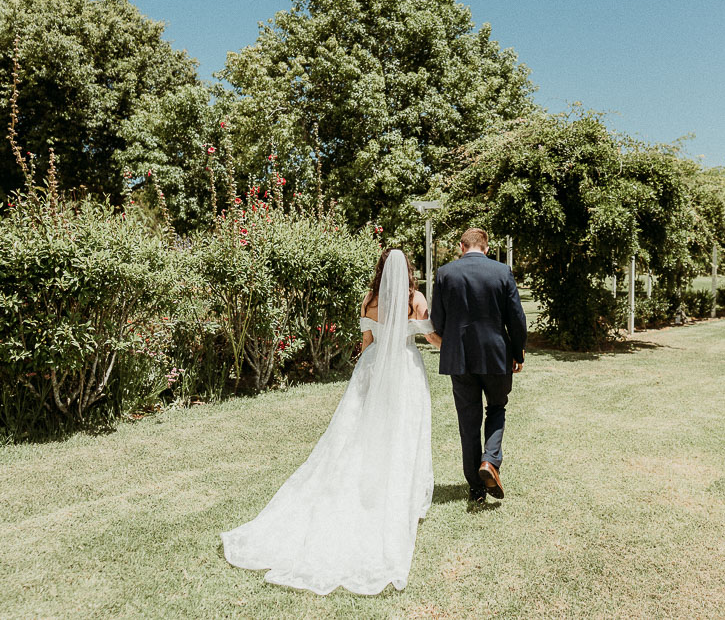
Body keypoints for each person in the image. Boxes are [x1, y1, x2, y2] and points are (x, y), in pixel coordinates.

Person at [220, 249, 440, 595]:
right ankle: (397, 493)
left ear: (380, 269)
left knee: (360, 435)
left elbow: (367, 341)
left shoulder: (369, 298)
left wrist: (367, 366)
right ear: (408, 270)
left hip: (370, 369)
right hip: (405, 372)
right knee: (402, 432)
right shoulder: (416, 299)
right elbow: (430, 338)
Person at [430, 228, 527, 503]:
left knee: (468, 421)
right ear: (486, 247)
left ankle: (475, 487)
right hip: (496, 355)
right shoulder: (501, 271)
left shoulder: (445, 273)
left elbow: (438, 319)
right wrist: (518, 352)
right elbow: (516, 317)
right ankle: (490, 461)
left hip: (460, 358)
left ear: (462, 246)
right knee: (497, 407)